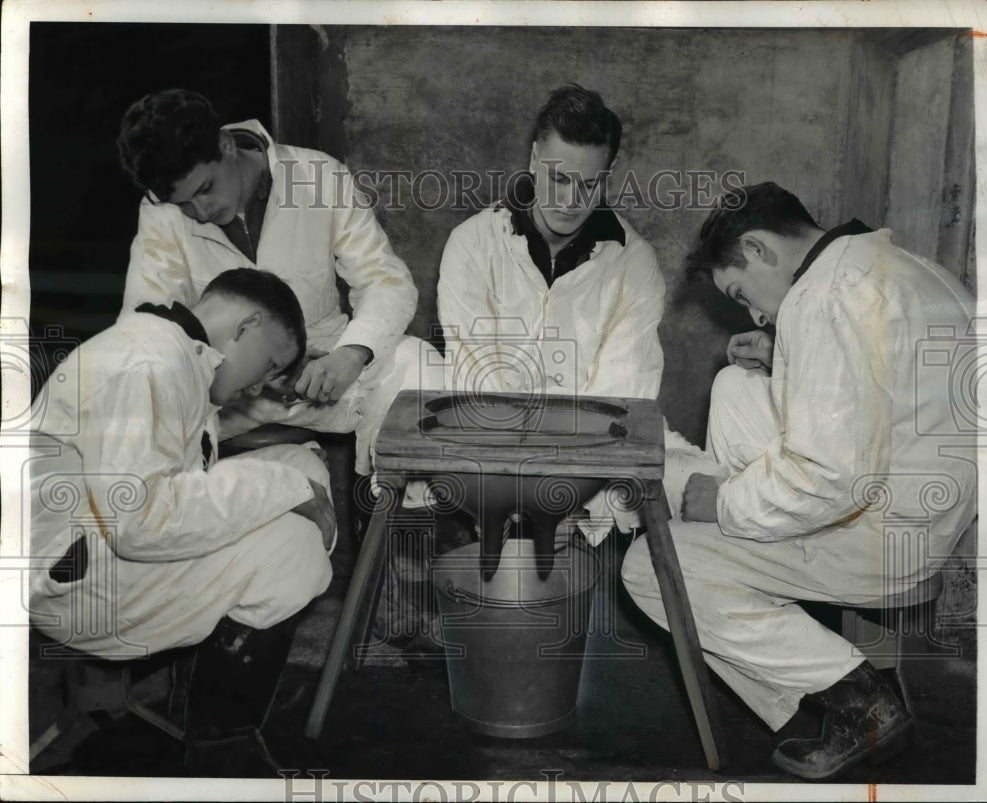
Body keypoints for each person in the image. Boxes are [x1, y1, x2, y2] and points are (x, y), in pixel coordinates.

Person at [620, 182, 978, 781]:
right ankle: (746, 566)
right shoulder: (892, 261)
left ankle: (858, 699)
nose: (756, 313)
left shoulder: (824, 299)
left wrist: (727, 504)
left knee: (650, 565)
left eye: (742, 292)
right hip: (930, 502)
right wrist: (785, 355)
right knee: (736, 386)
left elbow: (831, 477)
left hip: (882, 535)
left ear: (759, 249)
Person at [29, 268, 337, 775]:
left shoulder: (173, 350)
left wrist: (291, 482)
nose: (261, 382)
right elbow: (142, 522)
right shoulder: (147, 364)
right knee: (293, 543)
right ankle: (221, 745)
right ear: (246, 326)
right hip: (82, 587)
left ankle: (207, 675)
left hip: (97, 547)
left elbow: (183, 474)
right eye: (269, 363)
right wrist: (286, 494)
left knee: (301, 467)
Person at [435, 83, 695, 539]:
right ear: (535, 159)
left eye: (589, 183)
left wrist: (564, 494)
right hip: (490, 447)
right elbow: (477, 377)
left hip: (589, 461)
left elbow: (621, 398)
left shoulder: (634, 263)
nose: (571, 201)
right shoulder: (472, 244)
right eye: (557, 178)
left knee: (689, 483)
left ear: (610, 171)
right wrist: (519, 488)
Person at [116, 88, 422, 475]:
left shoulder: (316, 175)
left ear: (226, 145)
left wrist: (351, 353)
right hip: (231, 391)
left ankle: (398, 515)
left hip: (329, 363)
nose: (201, 212)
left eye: (205, 189)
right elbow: (149, 325)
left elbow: (385, 281)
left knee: (419, 366)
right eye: (183, 205)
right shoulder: (160, 214)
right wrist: (232, 371)